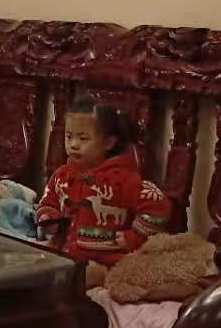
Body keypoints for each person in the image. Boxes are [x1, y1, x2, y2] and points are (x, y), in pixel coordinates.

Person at [35, 98, 171, 284]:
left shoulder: (124, 179)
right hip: (63, 251)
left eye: (83, 138)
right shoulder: (62, 175)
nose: (73, 144)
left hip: (104, 259)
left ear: (108, 143)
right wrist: (47, 216)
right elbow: (49, 199)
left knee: (78, 277)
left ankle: (101, 278)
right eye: (69, 136)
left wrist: (133, 237)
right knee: (32, 270)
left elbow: (158, 206)